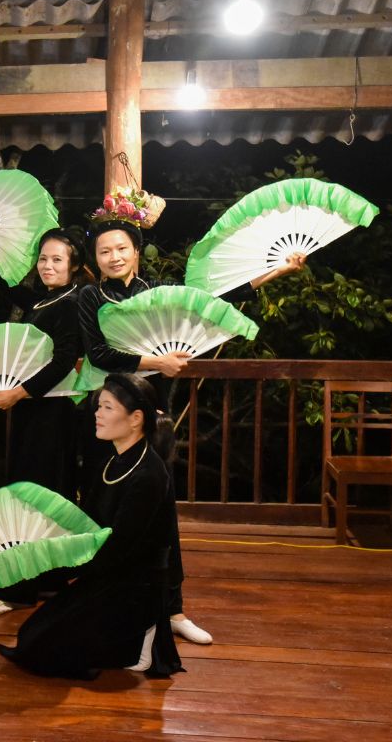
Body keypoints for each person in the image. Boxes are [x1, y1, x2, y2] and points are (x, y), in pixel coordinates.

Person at [78, 202, 306, 646]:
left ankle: (173, 609)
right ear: (96, 260)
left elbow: (216, 300)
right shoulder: (91, 297)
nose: (114, 256)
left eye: (121, 248)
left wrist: (277, 271)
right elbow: (98, 355)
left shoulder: (158, 291)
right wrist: (155, 360)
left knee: (161, 509)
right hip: (108, 412)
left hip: (151, 411)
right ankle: (104, 600)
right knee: (105, 508)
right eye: (105, 251)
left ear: (136, 251)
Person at [0, 373, 185, 680]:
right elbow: (86, 526)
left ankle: (142, 639)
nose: (96, 414)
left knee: (48, 651)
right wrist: (39, 558)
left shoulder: (150, 475)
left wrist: (68, 569)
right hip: (105, 572)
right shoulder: (112, 462)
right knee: (31, 635)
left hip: (134, 585)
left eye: (107, 408)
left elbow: (121, 546)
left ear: (136, 418)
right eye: (99, 406)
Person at [0, 223, 91, 620]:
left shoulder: (73, 302)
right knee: (42, 494)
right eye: (44, 258)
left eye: (57, 260)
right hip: (37, 413)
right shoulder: (46, 300)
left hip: (50, 415)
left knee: (33, 498)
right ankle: (49, 578)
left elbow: (63, 359)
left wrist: (17, 393)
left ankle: (17, 590)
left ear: (74, 265)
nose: (48, 266)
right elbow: (8, 286)